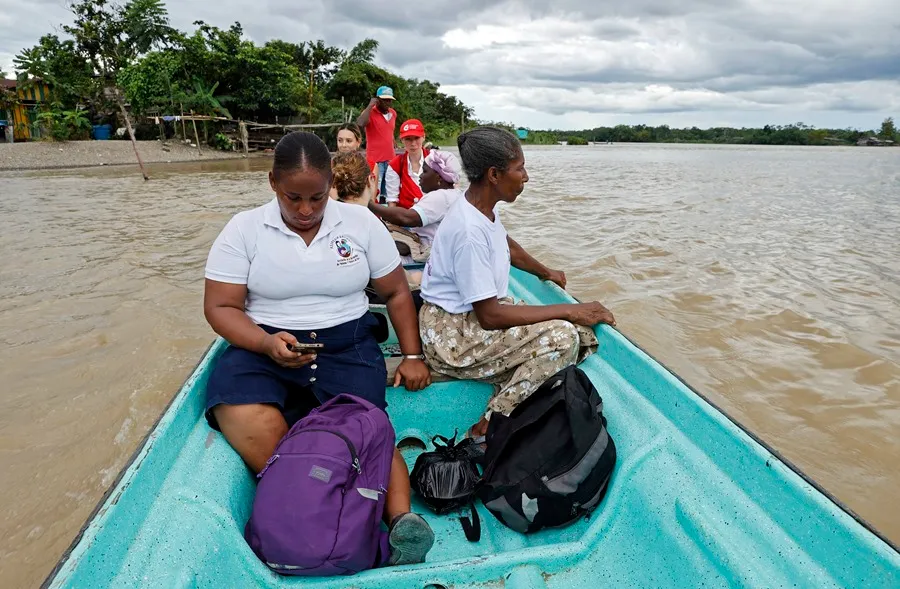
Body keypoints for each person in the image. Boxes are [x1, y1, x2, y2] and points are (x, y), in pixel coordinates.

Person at [204, 131, 434, 566]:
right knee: (235, 404)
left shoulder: (361, 224)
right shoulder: (245, 229)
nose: (306, 210)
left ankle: (401, 522)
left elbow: (398, 294)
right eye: (294, 198)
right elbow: (220, 307)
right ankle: (310, 494)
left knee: (367, 423)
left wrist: (413, 355)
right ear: (273, 182)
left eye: (317, 197)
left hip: (346, 344)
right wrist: (265, 342)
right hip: (264, 343)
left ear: (331, 184)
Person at [418, 126, 617, 442]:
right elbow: (491, 317)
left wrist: (545, 271)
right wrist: (570, 310)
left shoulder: (480, 206)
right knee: (564, 337)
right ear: (494, 174)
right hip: (453, 336)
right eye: (520, 168)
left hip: (468, 320)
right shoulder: (468, 231)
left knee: (575, 331)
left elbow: (506, 244)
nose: (525, 177)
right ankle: (490, 424)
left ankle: (507, 380)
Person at [368, 150, 462, 248]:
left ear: (438, 178)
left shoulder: (440, 197)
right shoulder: (455, 193)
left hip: (428, 251)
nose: (420, 176)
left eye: (425, 171)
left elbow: (406, 218)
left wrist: (369, 204)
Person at [357, 86, 397, 198]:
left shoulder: (393, 113)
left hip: (390, 159)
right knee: (374, 192)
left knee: (388, 192)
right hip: (376, 161)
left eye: (390, 100)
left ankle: (386, 214)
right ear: (377, 99)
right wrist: (370, 106)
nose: (388, 103)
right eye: (384, 100)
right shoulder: (370, 113)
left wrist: (392, 139)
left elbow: (388, 129)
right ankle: (374, 215)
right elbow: (360, 123)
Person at [384, 119, 429, 208]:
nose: (413, 143)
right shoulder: (395, 165)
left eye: (417, 138)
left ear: (424, 137)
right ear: (402, 140)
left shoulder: (436, 159)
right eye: (408, 139)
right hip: (406, 217)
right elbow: (392, 200)